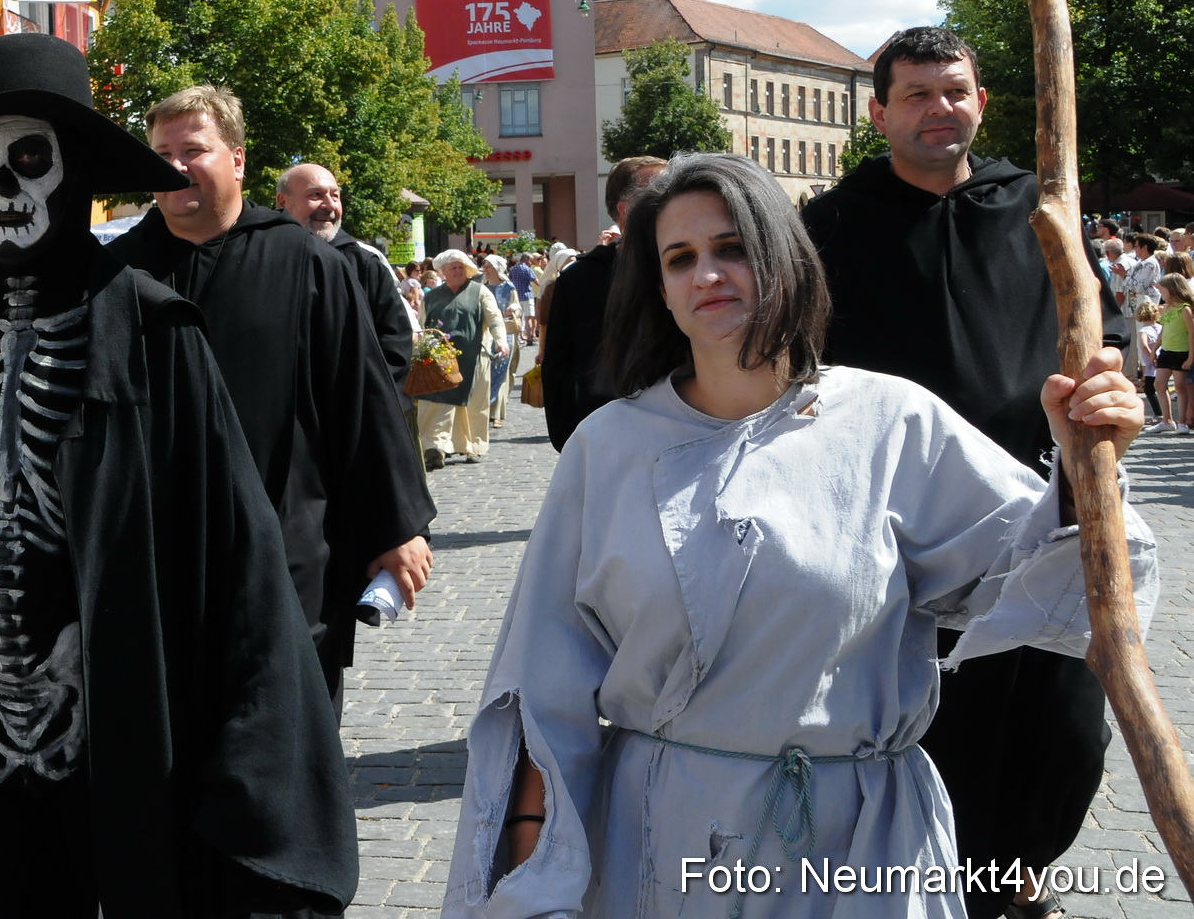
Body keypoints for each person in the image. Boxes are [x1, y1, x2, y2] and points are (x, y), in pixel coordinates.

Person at [443, 154, 1156, 919]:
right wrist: (530, 873)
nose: (707, 273)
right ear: (660, 292)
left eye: (732, 247)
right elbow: (544, 686)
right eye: (679, 259)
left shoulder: (890, 421)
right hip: (668, 843)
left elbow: (1055, 577)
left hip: (862, 847)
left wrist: (1086, 464)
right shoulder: (608, 448)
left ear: (783, 259)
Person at [0, 33, 358, 916]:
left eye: (28, 160)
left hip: (118, 739)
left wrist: (253, 772)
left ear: (69, 171)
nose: (2, 189)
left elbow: (237, 564)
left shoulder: (156, 333)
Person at [800, 26, 1130, 919]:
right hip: (898, 521)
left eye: (953, 91)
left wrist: (1106, 383)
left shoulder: (1041, 211)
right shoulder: (828, 225)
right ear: (877, 114)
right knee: (944, 714)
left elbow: (1106, 332)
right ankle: (944, 880)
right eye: (914, 94)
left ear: (981, 102)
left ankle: (1016, 872)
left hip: (1041, 504)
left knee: (1063, 719)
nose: (937, 109)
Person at [111, 85, 436, 717]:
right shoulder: (117, 275)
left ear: (237, 159)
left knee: (287, 745)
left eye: (194, 150)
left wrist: (394, 526)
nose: (175, 167)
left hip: (288, 544)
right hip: (154, 559)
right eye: (161, 153)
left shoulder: (308, 265)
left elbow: (361, 399)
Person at [541, 155, 667, 451]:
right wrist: (571, 442)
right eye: (661, 195)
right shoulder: (579, 279)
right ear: (625, 211)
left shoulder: (691, 269)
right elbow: (558, 368)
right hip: (608, 438)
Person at [275, 162, 413, 394]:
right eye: (316, 195)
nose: (328, 205)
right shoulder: (262, 257)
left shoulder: (365, 264)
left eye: (335, 196)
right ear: (282, 201)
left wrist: (363, 394)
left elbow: (395, 343)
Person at [416, 250, 507, 468]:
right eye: (453, 268)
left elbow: (494, 318)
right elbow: (421, 325)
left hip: (474, 357)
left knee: (473, 405)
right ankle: (435, 447)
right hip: (438, 360)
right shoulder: (431, 297)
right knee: (436, 404)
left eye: (461, 267)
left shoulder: (480, 292)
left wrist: (500, 340)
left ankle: (473, 445)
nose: (458, 271)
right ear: (443, 272)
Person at [1148, 273, 1194, 435]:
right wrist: (1154, 350)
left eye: (1163, 289)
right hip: (1166, 351)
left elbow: (1191, 334)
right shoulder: (1167, 307)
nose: (1161, 292)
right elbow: (1163, 330)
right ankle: (1167, 420)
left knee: (1180, 387)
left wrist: (1190, 357)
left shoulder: (1185, 309)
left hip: (1181, 352)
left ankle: (1182, 422)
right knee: (1159, 384)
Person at [481, 255, 518, 427]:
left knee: (501, 374)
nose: (486, 270)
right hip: (485, 336)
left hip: (505, 335)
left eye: (489, 267)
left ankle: (497, 415)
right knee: (486, 375)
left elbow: (517, 308)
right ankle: (485, 411)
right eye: (485, 266)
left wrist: (514, 310)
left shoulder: (509, 288)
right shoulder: (481, 288)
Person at [1137, 300, 1164, 425]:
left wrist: (1150, 355)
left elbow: (1143, 345)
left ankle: (1159, 414)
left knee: (1149, 390)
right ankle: (1164, 413)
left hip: (1151, 365)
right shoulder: (1160, 327)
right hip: (1163, 361)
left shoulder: (1144, 331)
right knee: (1163, 389)